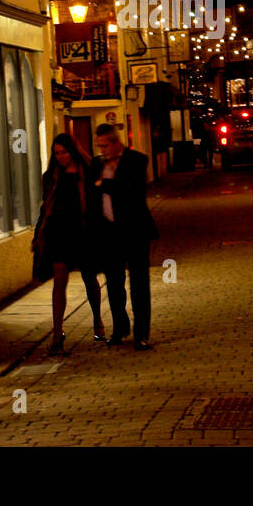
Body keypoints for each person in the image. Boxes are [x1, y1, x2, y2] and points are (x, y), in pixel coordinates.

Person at [33, 133, 106, 355]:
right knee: (59, 283)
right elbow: (46, 206)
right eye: (56, 153)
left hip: (82, 231)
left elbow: (97, 203)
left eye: (64, 152)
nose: (61, 157)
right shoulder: (52, 176)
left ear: (72, 151)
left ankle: (97, 321)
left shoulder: (87, 171)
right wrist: (39, 235)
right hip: (58, 233)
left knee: (89, 278)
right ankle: (57, 332)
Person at [89, 124, 158, 350]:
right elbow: (93, 195)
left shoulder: (137, 160)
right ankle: (120, 328)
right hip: (109, 233)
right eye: (99, 146)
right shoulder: (97, 164)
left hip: (135, 230)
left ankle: (141, 333)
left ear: (116, 142)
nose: (102, 150)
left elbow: (133, 191)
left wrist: (106, 184)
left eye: (105, 145)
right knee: (114, 284)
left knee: (139, 283)